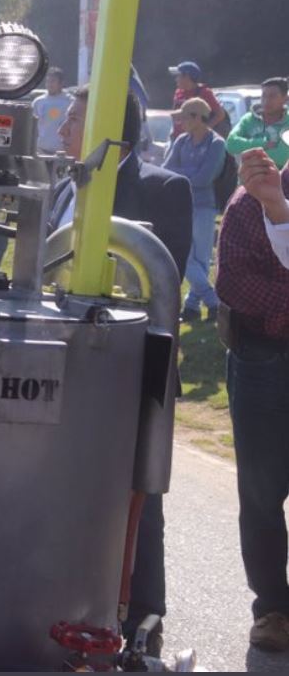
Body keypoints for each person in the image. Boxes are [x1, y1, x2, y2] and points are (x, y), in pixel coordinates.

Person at [52, 86, 191, 655]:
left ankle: (143, 619)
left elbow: (162, 283)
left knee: (138, 494)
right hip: (60, 368)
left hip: (129, 372)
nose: (61, 129)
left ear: (110, 126)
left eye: (74, 118)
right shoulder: (62, 188)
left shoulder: (165, 189)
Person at [215, 147, 289, 652]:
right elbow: (233, 283)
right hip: (265, 363)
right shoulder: (247, 202)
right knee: (262, 495)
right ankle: (273, 610)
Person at [163, 97, 226, 322]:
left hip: (204, 206)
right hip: (181, 204)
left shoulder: (217, 143)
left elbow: (204, 178)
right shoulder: (181, 140)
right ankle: (213, 301)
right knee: (187, 255)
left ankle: (191, 306)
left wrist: (183, 171)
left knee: (199, 257)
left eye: (184, 117)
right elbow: (167, 169)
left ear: (198, 118)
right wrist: (190, 170)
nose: (180, 122)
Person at [225, 77, 289, 169]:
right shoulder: (248, 120)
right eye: (264, 95)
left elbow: (284, 156)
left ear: (285, 98)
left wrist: (248, 153)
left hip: (280, 181)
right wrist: (262, 144)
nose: (266, 100)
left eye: (272, 96)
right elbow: (231, 144)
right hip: (248, 180)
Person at [169, 60, 229, 138]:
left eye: (178, 76)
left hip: (193, 140)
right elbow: (175, 116)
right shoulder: (178, 92)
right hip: (177, 138)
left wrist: (203, 130)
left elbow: (220, 114)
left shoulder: (204, 92)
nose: (176, 79)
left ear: (187, 77)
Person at [33, 66, 71, 154]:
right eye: (48, 81)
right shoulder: (38, 102)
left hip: (62, 152)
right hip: (41, 150)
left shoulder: (70, 101)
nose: (49, 84)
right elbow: (33, 127)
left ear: (61, 83)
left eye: (53, 81)